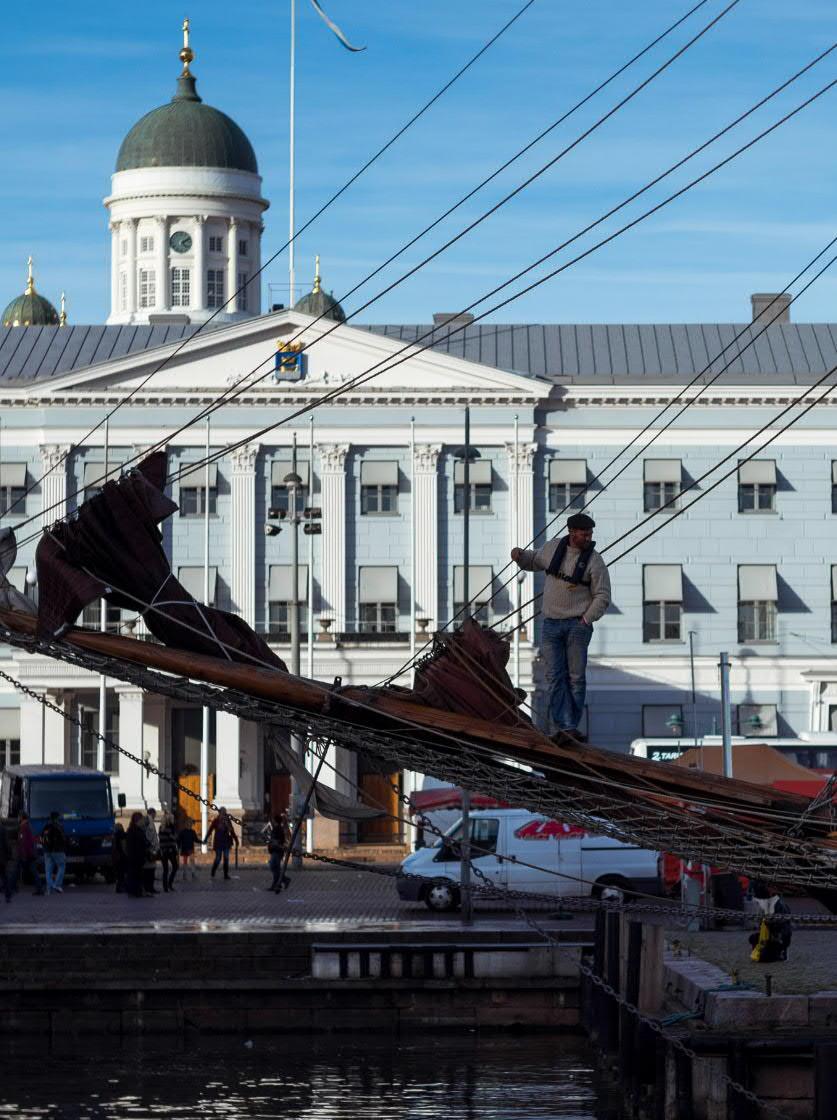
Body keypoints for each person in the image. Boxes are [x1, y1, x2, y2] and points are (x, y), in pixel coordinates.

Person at [511, 512, 611, 741]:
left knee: (575, 677)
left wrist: (586, 619)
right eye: (584, 534)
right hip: (551, 624)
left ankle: (568, 726)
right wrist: (519, 556)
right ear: (572, 532)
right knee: (555, 676)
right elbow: (534, 560)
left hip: (577, 625)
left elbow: (602, 595)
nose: (589, 537)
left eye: (590, 534)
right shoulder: (553, 548)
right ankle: (566, 726)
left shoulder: (594, 561)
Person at [748, 881, 792, 962]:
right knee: (755, 938)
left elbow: (785, 930)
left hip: (776, 936)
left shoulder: (779, 904)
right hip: (769, 935)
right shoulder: (766, 902)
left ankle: (778, 952)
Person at [204, 808, 238, 880]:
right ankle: (213, 872)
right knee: (218, 858)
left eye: (224, 813)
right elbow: (210, 830)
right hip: (219, 842)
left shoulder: (227, 821)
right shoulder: (216, 821)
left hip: (226, 842)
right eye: (222, 813)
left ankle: (226, 874)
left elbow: (232, 831)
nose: (223, 814)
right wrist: (205, 839)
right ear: (220, 813)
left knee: (226, 858)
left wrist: (236, 839)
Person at [262, 812, 291, 894]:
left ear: (275, 821)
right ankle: (281, 881)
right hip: (275, 850)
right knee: (275, 868)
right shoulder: (277, 828)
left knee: (274, 867)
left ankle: (280, 882)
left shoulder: (277, 829)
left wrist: (274, 842)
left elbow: (279, 840)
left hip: (277, 851)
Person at [15, 812, 43, 896]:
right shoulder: (28, 826)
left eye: (18, 817)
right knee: (32, 871)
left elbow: (24, 842)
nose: (18, 818)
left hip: (27, 854)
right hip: (29, 853)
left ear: (21, 817)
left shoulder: (24, 827)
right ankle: (39, 888)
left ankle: (39, 889)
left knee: (29, 871)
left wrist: (23, 854)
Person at [41, 811, 67, 895]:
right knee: (61, 866)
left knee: (48, 871)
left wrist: (45, 847)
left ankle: (49, 889)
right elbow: (63, 839)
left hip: (47, 851)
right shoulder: (58, 826)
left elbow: (41, 838)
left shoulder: (46, 826)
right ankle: (56, 884)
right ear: (57, 818)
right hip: (58, 850)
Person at [125, 812, 149, 898]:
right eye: (141, 819)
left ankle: (137, 891)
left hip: (139, 857)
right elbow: (131, 846)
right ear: (137, 820)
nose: (143, 821)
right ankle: (133, 892)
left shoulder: (139, 830)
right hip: (135, 857)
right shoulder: (132, 830)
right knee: (134, 875)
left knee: (138, 875)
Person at [158, 812, 179, 892]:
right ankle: (169, 884)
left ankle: (165, 887)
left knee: (165, 869)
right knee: (175, 867)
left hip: (163, 850)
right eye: (172, 818)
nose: (174, 820)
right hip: (170, 850)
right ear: (169, 819)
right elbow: (174, 838)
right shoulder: (170, 827)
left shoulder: (161, 827)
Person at [142, 808, 160, 895]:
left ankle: (150, 887)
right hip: (150, 851)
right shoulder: (147, 821)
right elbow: (148, 835)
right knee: (149, 872)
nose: (155, 816)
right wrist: (151, 845)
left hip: (152, 850)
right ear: (152, 813)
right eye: (155, 814)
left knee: (151, 871)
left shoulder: (150, 821)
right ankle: (148, 888)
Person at [112, 821, 127, 893]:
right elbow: (124, 846)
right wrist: (126, 854)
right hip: (122, 857)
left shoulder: (114, 835)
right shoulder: (122, 835)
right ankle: (122, 888)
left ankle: (118, 888)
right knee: (123, 873)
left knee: (119, 874)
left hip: (116, 857)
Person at [0, 823, 13, 903]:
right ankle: (8, 896)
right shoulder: (3, 829)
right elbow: (6, 843)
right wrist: (9, 854)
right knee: (4, 876)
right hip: (1, 858)